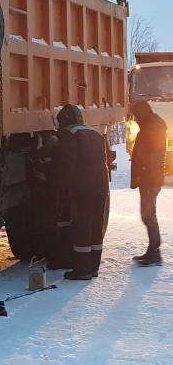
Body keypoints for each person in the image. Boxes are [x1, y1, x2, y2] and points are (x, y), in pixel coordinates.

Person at [51, 104, 111, 280]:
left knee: (82, 227)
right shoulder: (95, 134)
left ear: (64, 121)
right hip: (100, 188)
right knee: (95, 227)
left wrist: (61, 189)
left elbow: (66, 167)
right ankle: (93, 268)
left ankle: (82, 270)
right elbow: (106, 159)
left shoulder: (69, 136)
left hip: (83, 189)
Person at [131, 100, 167, 266]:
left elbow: (153, 153)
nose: (135, 118)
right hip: (150, 177)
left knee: (148, 215)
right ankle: (153, 251)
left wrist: (144, 170)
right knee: (148, 214)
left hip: (150, 178)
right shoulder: (151, 125)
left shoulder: (152, 127)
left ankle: (154, 252)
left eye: (136, 115)